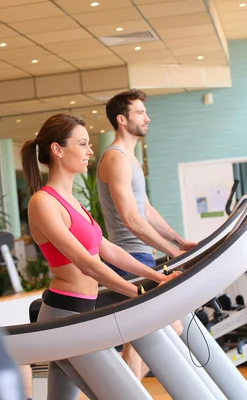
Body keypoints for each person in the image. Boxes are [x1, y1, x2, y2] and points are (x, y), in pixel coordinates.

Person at [20, 113, 180, 400]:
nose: (90, 151)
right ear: (57, 150)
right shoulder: (43, 202)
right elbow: (86, 263)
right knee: (120, 394)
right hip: (64, 317)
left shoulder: (73, 202)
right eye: (82, 144)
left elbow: (109, 250)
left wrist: (158, 277)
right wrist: (138, 292)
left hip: (82, 312)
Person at [96, 89, 197, 380]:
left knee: (138, 344)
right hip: (128, 259)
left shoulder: (131, 158)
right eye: (140, 112)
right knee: (169, 332)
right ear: (122, 120)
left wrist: (179, 242)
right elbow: (130, 218)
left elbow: (146, 210)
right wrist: (173, 252)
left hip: (141, 257)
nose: (147, 117)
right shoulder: (116, 159)